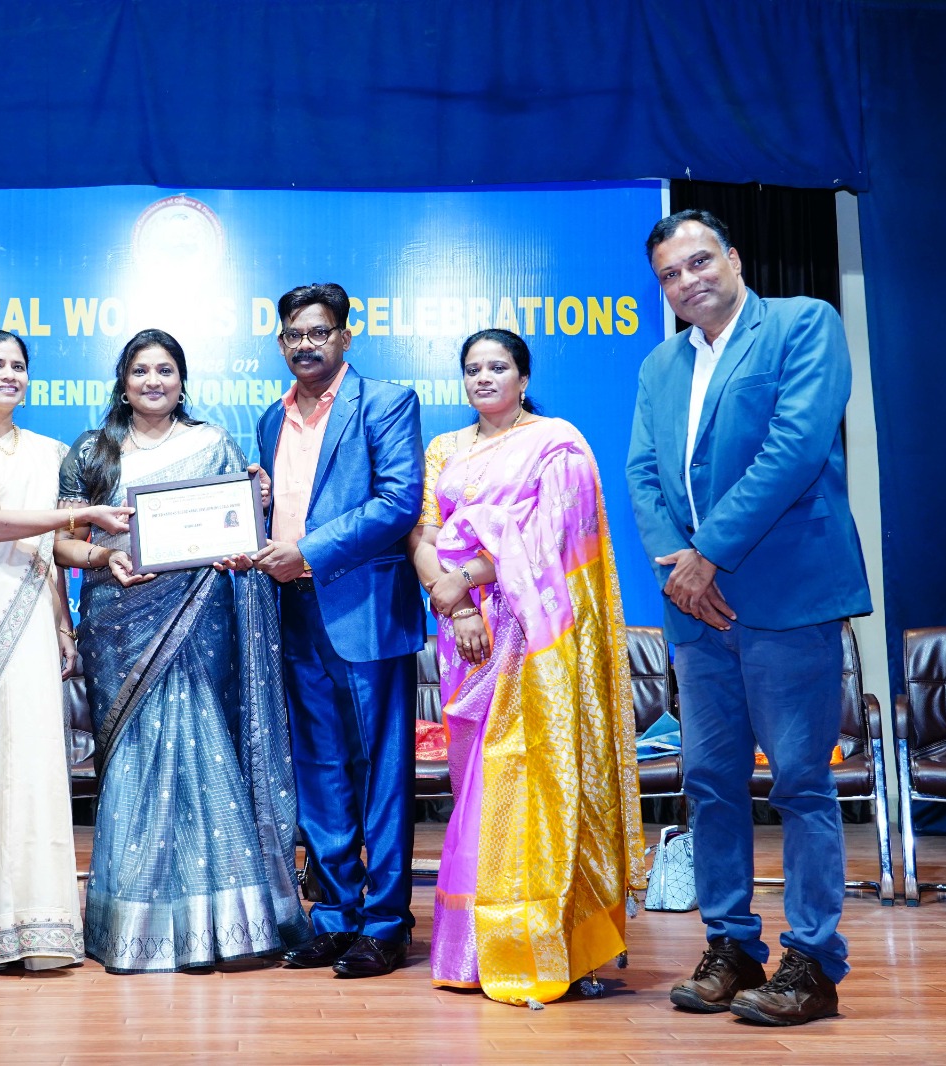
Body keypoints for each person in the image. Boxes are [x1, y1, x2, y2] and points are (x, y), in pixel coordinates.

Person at [627, 209, 871, 1026]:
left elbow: (794, 450)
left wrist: (709, 553)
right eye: (670, 274)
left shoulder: (803, 324)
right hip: (696, 610)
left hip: (787, 598)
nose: (687, 281)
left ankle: (813, 963)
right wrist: (679, 568)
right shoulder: (660, 364)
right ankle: (731, 946)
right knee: (709, 783)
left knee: (801, 781)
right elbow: (643, 475)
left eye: (700, 262)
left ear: (733, 258)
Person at [53, 328, 310, 973]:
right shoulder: (92, 451)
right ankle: (134, 925)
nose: (153, 381)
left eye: (165, 370)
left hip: (199, 618)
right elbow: (62, 542)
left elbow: (240, 524)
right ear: (123, 381)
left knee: (203, 748)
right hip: (120, 623)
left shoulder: (212, 443)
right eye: (141, 370)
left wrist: (252, 508)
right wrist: (103, 558)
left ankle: (223, 925)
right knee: (136, 761)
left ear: (182, 380)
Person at [409, 329, 645, 1006]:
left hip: (538, 636)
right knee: (479, 788)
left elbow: (556, 538)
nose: (483, 377)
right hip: (467, 637)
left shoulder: (557, 444)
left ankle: (548, 945)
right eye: (472, 369)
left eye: (497, 367)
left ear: (523, 377)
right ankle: (473, 950)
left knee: (536, 780)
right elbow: (423, 535)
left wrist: (468, 578)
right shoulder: (445, 449)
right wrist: (455, 603)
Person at [0, 329, 130, 971]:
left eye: (18, 365)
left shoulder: (48, 452)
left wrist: (67, 622)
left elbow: (50, 554)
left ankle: (36, 926)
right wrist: (79, 516)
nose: (8, 374)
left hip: (34, 620)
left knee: (33, 764)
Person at [252, 283, 425, 979]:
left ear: (345, 337)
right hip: (293, 611)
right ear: (280, 342)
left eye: (318, 332)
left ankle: (385, 923)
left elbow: (399, 501)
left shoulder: (385, 402)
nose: (306, 345)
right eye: (294, 335)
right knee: (320, 769)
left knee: (381, 770)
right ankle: (333, 915)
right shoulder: (271, 417)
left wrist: (308, 551)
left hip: (365, 612)